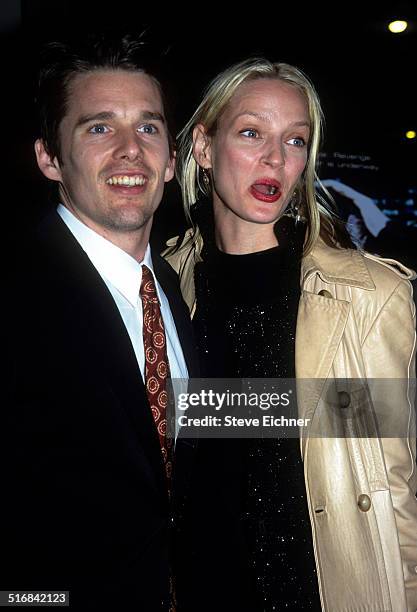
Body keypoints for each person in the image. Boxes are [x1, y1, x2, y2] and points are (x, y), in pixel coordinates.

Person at [164, 58, 417, 611]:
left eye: (295, 140)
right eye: (251, 132)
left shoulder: (367, 296)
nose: (276, 158)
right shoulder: (163, 282)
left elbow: (397, 486)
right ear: (204, 148)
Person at [1, 34, 196, 611]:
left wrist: (379, 407)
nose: (131, 150)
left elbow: (218, 426)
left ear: (171, 163)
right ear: (48, 157)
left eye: (149, 127)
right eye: (99, 128)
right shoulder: (14, 294)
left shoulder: (182, 293)